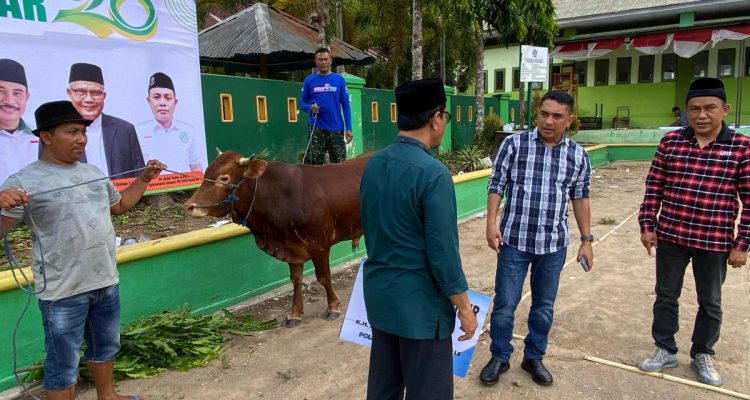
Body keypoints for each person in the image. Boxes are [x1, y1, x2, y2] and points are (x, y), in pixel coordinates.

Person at [0, 100, 164, 400]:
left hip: (105, 282)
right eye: (72, 131)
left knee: (105, 346)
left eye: (83, 132)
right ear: (47, 137)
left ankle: (108, 395)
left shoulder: (92, 172)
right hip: (62, 291)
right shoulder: (23, 182)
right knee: (63, 362)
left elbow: (121, 206)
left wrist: (144, 179)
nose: (81, 138)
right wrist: (2, 202)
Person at [359, 77, 477, 400]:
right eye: (446, 117)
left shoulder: (374, 165)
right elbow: (443, 256)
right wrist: (465, 308)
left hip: (382, 300)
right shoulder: (432, 174)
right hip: (422, 311)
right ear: (436, 119)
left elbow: (371, 227)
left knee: (383, 389)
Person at [637, 77, 749, 387]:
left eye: (710, 108)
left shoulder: (741, 147)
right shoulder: (671, 143)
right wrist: (647, 225)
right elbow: (654, 187)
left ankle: (702, 353)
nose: (701, 115)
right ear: (686, 112)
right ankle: (664, 348)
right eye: (694, 109)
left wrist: (742, 244)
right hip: (671, 235)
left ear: (724, 109)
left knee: (710, 301)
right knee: (665, 295)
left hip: (714, 241)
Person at [480, 90, 593, 387]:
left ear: (569, 120)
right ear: (537, 114)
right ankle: (500, 356)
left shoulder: (577, 155)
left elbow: (580, 198)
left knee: (543, 306)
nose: (548, 121)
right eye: (544, 113)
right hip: (514, 241)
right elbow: (496, 184)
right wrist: (491, 222)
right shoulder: (514, 145)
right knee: (505, 303)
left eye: (557, 116)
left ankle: (533, 356)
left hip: (553, 245)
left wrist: (587, 240)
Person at [66, 62, 145, 178]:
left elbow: (140, 176)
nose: (88, 99)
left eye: (96, 93)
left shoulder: (125, 130)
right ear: (69, 93)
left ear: (104, 96)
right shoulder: (55, 134)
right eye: (81, 92)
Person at [136, 72, 203, 174]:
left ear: (175, 102)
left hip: (186, 188)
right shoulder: (137, 132)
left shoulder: (189, 130)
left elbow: (196, 168)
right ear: (149, 101)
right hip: (151, 189)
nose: (162, 103)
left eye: (168, 98)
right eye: (156, 97)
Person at [299, 47, 352, 165]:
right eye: (320, 59)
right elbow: (301, 104)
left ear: (331, 60)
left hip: (336, 129)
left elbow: (346, 105)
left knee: (339, 166)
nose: (323, 62)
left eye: (325, 59)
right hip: (316, 129)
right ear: (316, 61)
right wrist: (310, 108)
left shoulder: (339, 80)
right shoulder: (309, 80)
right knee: (314, 166)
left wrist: (349, 128)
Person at [0, 58, 38, 184]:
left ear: (27, 97)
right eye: (1, 91)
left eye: (17, 93)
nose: (9, 101)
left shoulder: (42, 137)